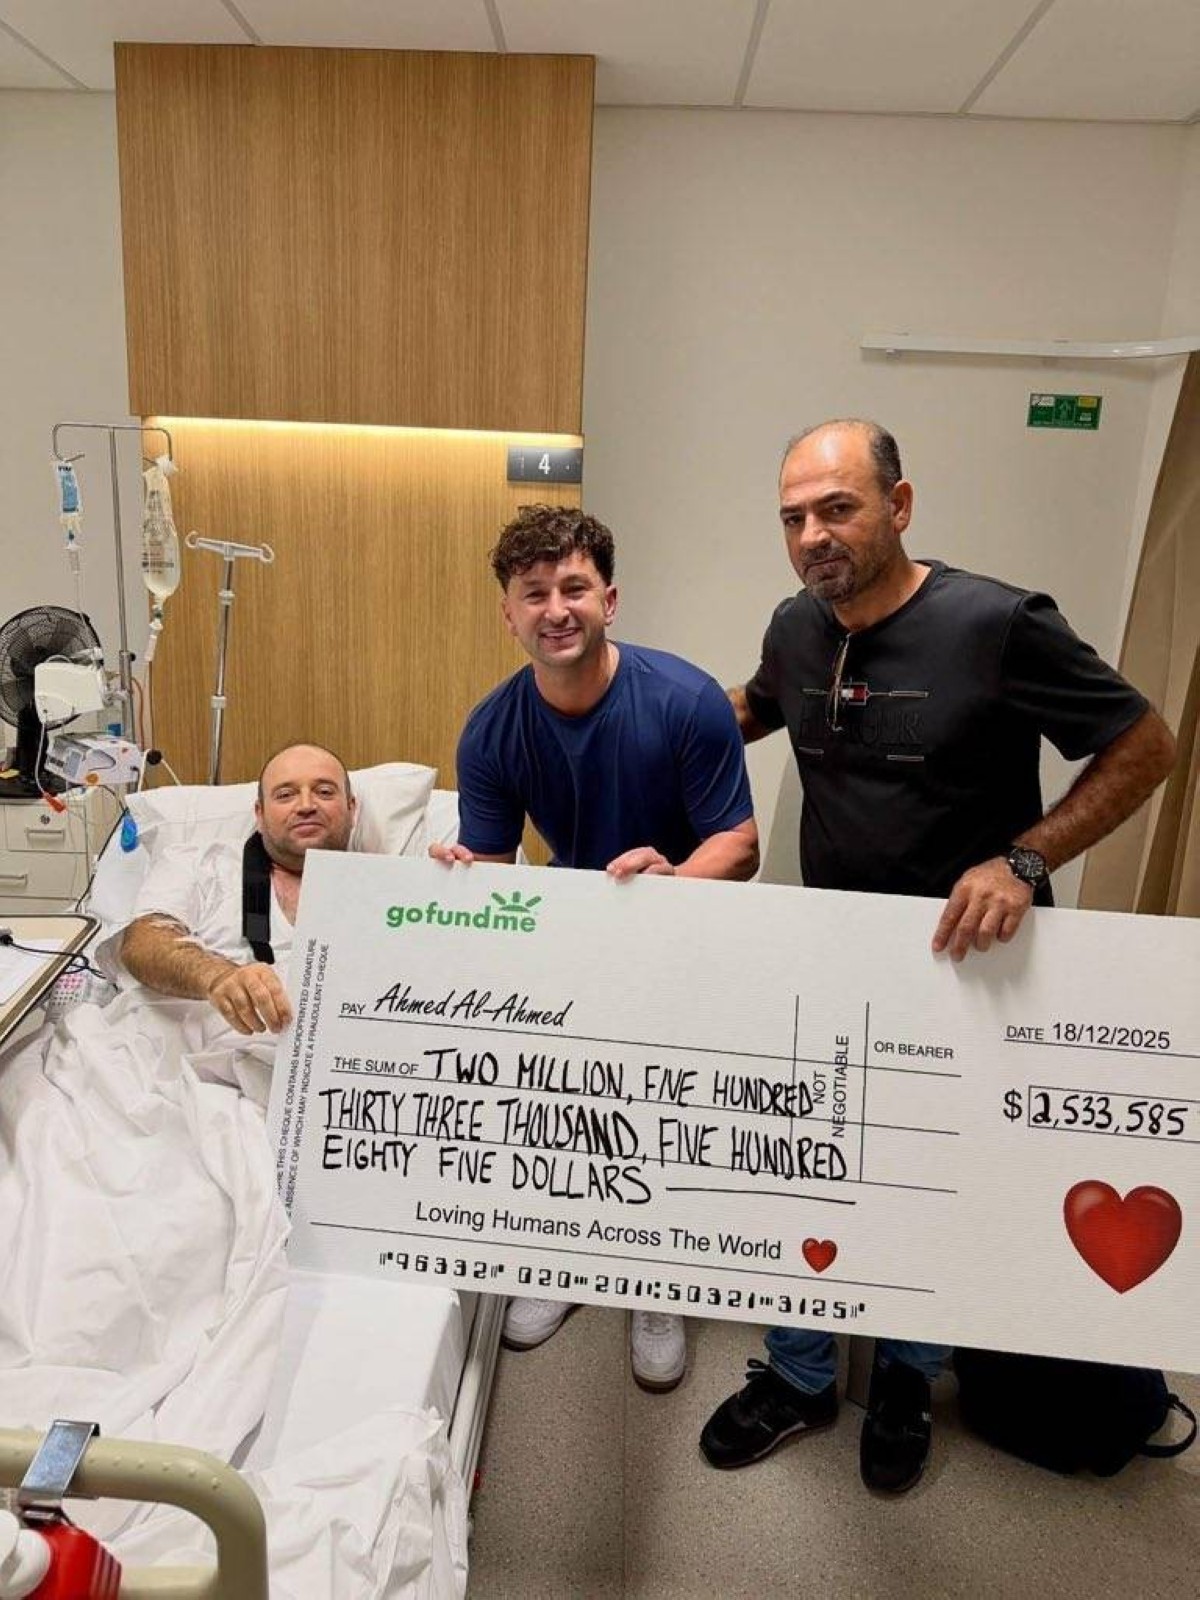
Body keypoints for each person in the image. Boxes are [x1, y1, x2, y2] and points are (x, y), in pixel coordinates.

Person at [700, 418, 1176, 1493]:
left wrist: (1025, 857)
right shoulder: (796, 626)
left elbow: (1145, 744)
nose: (813, 535)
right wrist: (631, 715)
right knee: (810, 1164)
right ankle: (800, 1373)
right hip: (833, 956)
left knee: (932, 1176)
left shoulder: (998, 624)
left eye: (838, 508)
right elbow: (756, 708)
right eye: (793, 517)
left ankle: (909, 1379)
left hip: (969, 966)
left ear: (899, 505)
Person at [433, 502, 759, 1390]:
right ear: (509, 614)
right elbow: (494, 870)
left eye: (573, 588)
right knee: (568, 1106)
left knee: (663, 1111)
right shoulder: (491, 730)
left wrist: (669, 886)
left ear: (609, 600)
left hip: (684, 928)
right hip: (575, 937)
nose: (556, 609)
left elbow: (740, 845)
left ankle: (655, 1280)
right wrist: (461, 884)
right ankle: (571, 1258)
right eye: (534, 593)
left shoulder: (685, 700)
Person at [120, 742, 357, 1035]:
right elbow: (143, 943)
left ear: (352, 808)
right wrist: (218, 977)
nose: (306, 805)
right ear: (260, 814)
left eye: (325, 792)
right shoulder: (199, 863)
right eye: (285, 795)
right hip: (190, 1050)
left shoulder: (387, 890)